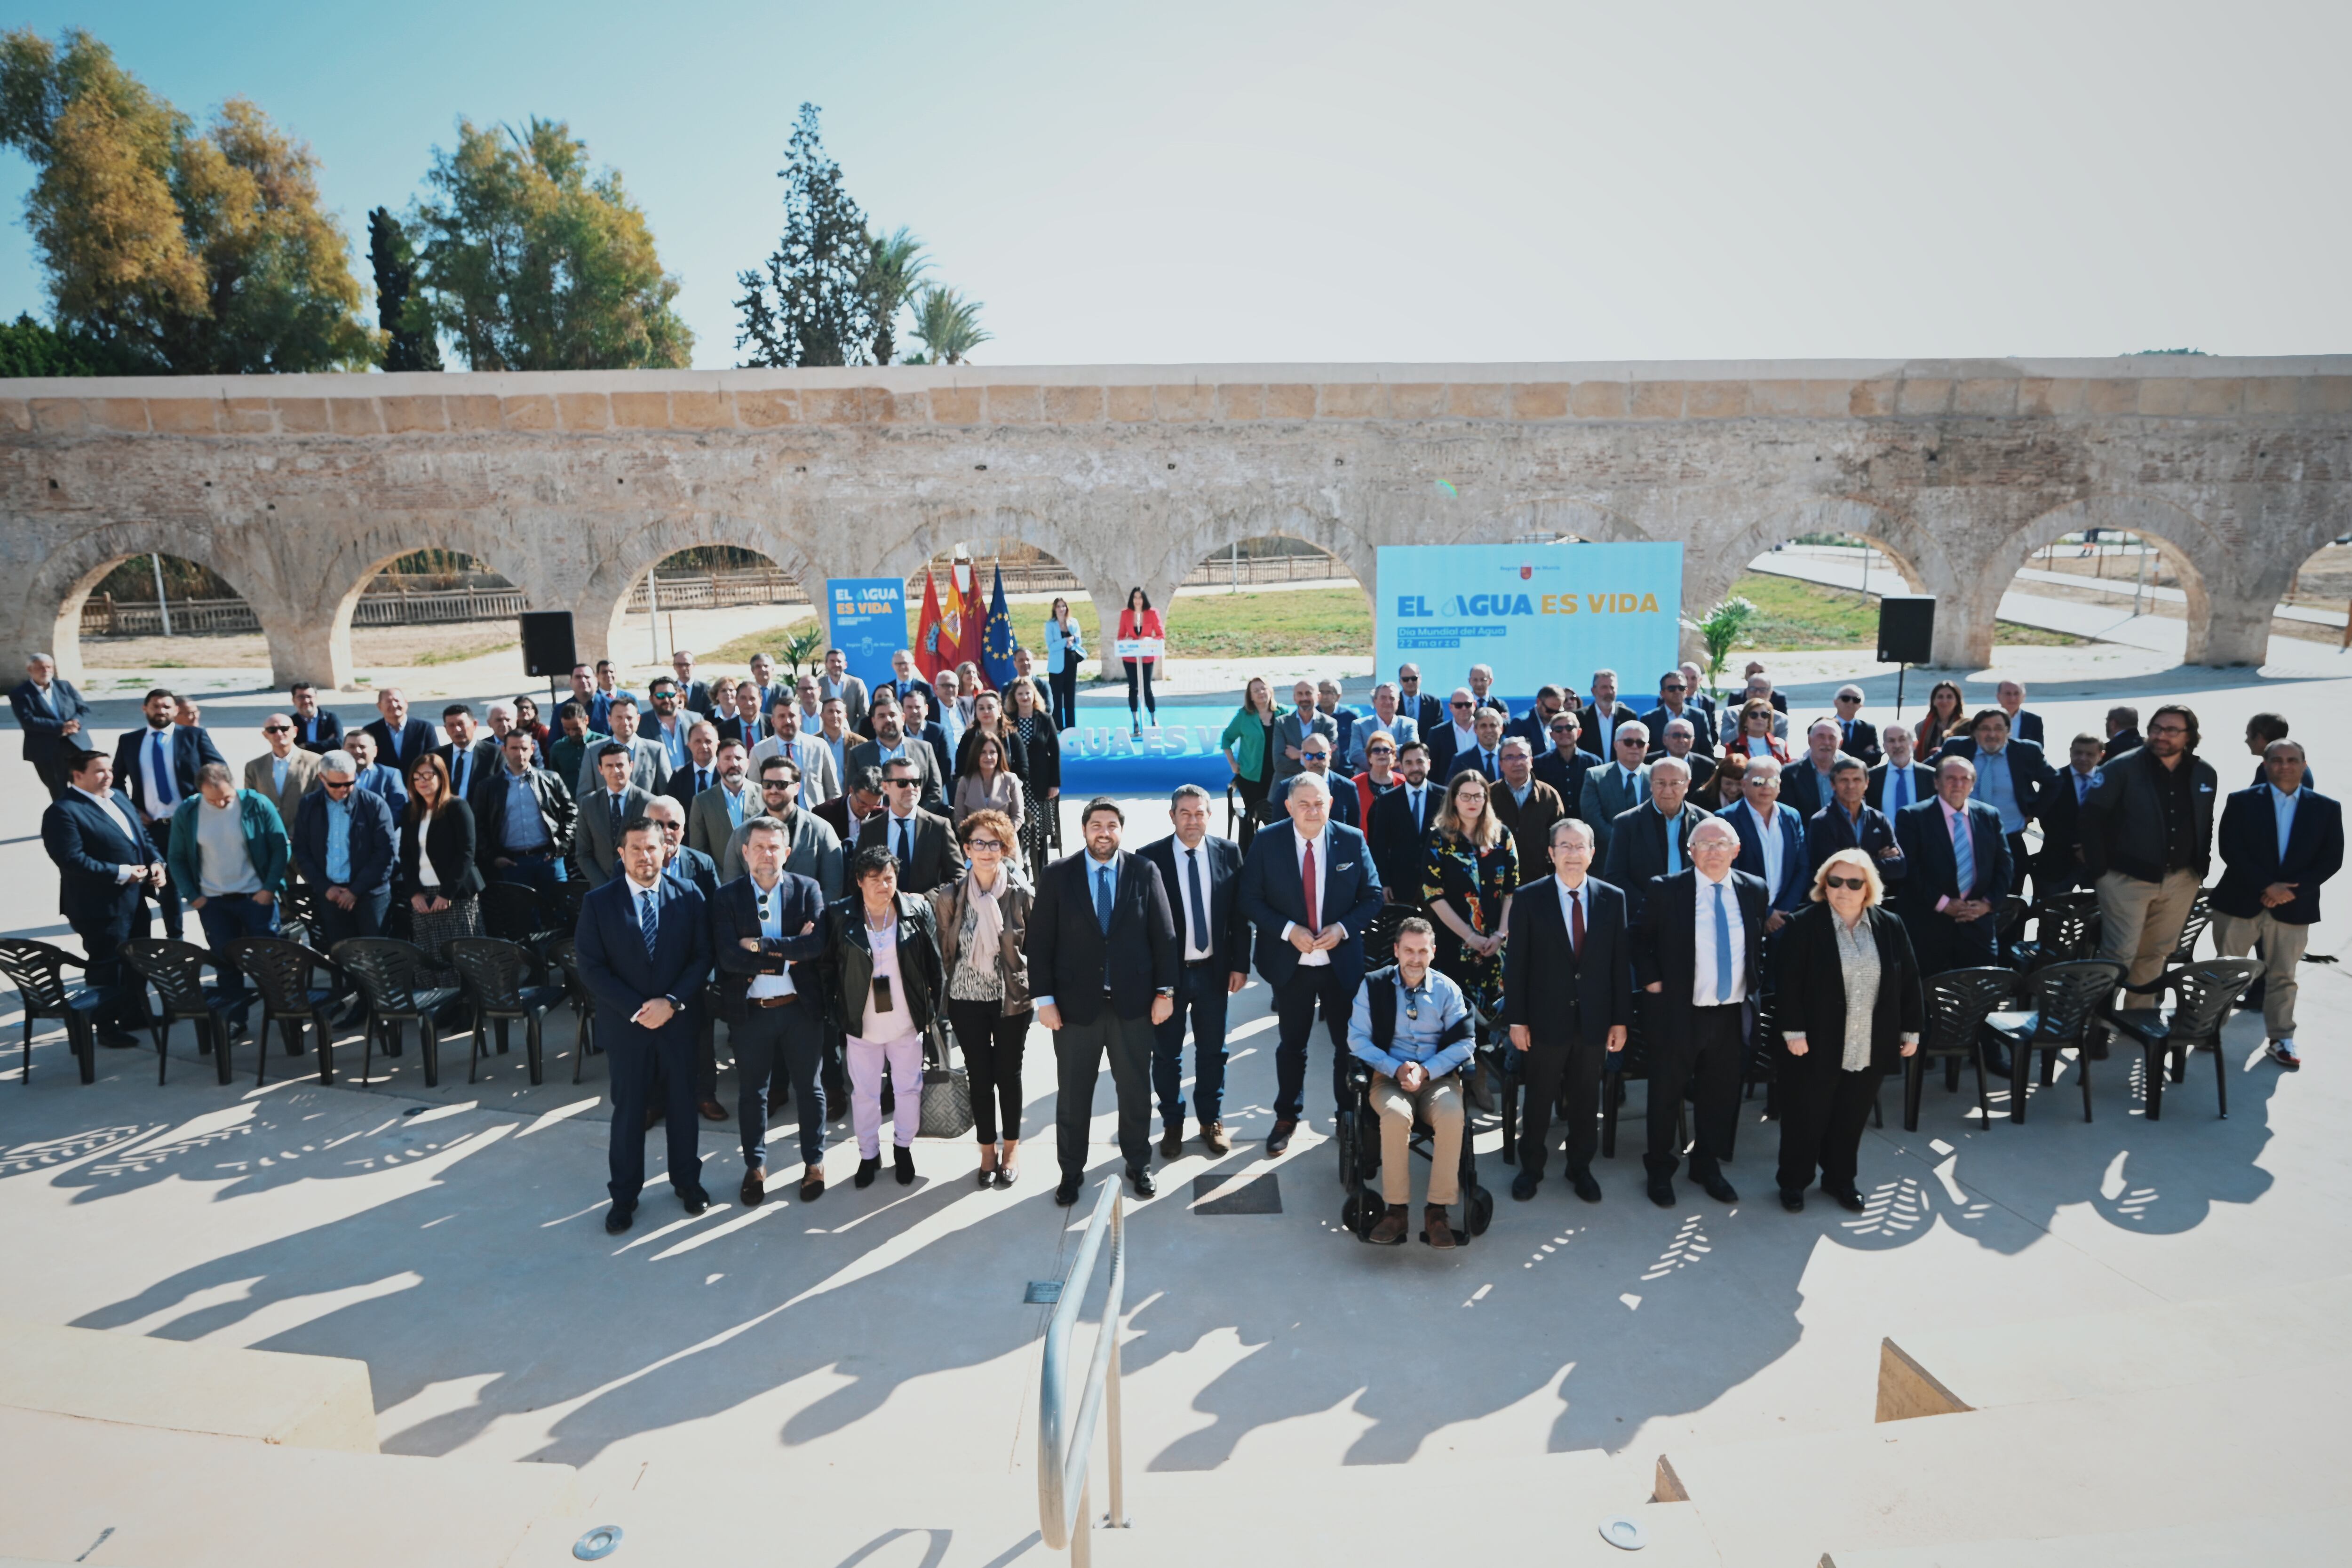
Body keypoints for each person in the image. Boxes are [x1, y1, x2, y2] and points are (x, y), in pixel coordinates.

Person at [1028, 798, 1177, 1203]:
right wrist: (1045, 1000)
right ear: (1084, 830)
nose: (1104, 832)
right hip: (1075, 1011)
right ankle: (1071, 1172)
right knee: (1074, 1096)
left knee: (1134, 1092)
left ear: (1121, 831)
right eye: (1097, 824)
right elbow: (1039, 943)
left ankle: (1138, 1163)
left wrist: (1165, 992)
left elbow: (1164, 938)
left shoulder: (1145, 872)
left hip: (1134, 1007)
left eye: (1112, 825)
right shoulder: (1059, 874)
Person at [575, 818, 713, 1234]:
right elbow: (591, 966)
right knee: (630, 1113)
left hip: (678, 1024)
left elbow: (702, 957)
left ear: (666, 850)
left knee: (683, 1109)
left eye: (652, 847)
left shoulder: (689, 895)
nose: (644, 856)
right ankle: (624, 1196)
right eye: (635, 848)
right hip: (628, 1027)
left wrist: (670, 1003)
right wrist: (639, 1008)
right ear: (621, 853)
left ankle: (688, 1183)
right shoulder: (599, 903)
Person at [1239, 771, 1383, 1154]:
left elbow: (1372, 897)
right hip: (1291, 965)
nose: (1312, 810)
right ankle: (1286, 1116)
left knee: (1345, 1046)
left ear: (1331, 803)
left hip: (1341, 965)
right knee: (1292, 1046)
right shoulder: (1269, 841)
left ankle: (1344, 1116)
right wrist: (1288, 931)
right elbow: (1249, 898)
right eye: (1303, 803)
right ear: (1288, 806)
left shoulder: (1352, 841)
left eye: (1319, 802)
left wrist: (1343, 928)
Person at [1774, 850, 1924, 1213]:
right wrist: (1793, 1031)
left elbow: (1909, 981)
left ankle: (1840, 1180)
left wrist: (1912, 1030)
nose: (1844, 889)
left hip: (1869, 1043)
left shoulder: (1890, 925)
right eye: (1835, 881)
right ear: (1824, 885)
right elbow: (1787, 983)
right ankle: (1794, 1182)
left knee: (1851, 1117)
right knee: (1806, 1117)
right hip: (1815, 1044)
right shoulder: (1803, 924)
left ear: (1868, 887)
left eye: (1854, 882)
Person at [1634, 817, 1767, 1206]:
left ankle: (1706, 1165)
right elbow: (1638, 938)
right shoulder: (1667, 889)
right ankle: (1660, 1168)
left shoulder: (1754, 889)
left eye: (1720, 843)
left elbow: (1756, 943)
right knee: (1665, 1094)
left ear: (1735, 850)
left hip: (1730, 1012)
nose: (1712, 850)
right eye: (1703, 844)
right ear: (1690, 852)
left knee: (1720, 1093)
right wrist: (1653, 982)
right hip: (1679, 1012)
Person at [1503, 817, 1629, 1203]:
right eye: (1565, 846)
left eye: (1580, 847)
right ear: (1551, 853)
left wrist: (1620, 1019)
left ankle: (1580, 1167)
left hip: (1594, 1020)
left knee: (1586, 1097)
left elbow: (1619, 964)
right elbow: (1516, 966)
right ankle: (1532, 1167)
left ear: (1593, 853)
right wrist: (1517, 1020)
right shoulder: (1528, 898)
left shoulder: (1612, 897)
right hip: (1544, 1020)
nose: (1573, 854)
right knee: (1539, 1097)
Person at [712, 814, 829, 1205]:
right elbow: (729, 957)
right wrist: (788, 950)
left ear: (787, 852)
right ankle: (756, 1166)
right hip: (752, 1013)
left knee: (810, 1090)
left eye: (774, 846)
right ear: (745, 852)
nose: (766, 854)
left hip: (800, 1009)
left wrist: (759, 946)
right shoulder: (726, 897)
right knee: (753, 1092)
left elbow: (815, 947)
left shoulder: (807, 889)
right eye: (759, 846)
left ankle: (814, 1162)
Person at [2212, 740, 2341, 1071]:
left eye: (2292, 760)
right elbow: (2231, 849)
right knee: (2226, 973)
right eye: (2278, 760)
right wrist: (2266, 885)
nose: (2285, 766)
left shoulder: (2327, 807)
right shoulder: (2241, 802)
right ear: (2265, 764)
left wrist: (2288, 891)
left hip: (2294, 908)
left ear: (2304, 763)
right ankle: (2209, 1030)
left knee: (2284, 975)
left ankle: (2281, 1038)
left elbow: (2331, 859)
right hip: (2240, 902)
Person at [1348, 917, 1476, 1247]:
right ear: (1396, 951)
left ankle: (1437, 1212)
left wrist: (1428, 1070)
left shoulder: (1448, 990)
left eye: (1422, 951)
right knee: (1395, 1114)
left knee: (1451, 1114)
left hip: (1438, 1078)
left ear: (1433, 952)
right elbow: (1358, 1039)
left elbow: (1465, 1043)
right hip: (1389, 1077)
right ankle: (1396, 1211)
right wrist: (1395, 1067)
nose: (1415, 959)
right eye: (1408, 951)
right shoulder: (1373, 985)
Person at [1139, 785, 1249, 1158]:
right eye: (1185, 813)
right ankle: (1172, 1122)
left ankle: (1210, 1119)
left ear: (1209, 816)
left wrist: (1240, 964)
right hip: (1170, 978)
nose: (1192, 820)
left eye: (1199, 813)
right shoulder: (1150, 859)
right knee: (1167, 1055)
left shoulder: (1228, 853)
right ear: (1172, 816)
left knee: (1213, 1052)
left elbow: (1239, 915)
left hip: (1214, 972)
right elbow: (1143, 927)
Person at [932, 809, 1035, 1187]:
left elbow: (1034, 947)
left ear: (1005, 848)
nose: (987, 851)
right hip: (965, 998)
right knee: (979, 1076)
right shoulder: (950, 896)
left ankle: (1011, 1147)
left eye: (994, 843)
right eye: (979, 843)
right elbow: (947, 947)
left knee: (1008, 1075)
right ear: (966, 849)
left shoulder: (1022, 895)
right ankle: (987, 1150)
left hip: (1010, 1000)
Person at [2083, 704, 2217, 993]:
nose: (2161, 736)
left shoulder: (2204, 773)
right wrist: (2101, 874)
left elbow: (2206, 822)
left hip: (2181, 881)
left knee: (2156, 954)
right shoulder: (2121, 768)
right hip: (2124, 880)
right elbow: (2091, 821)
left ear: (2189, 736)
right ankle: (2096, 1025)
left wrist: (2199, 870)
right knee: (2119, 955)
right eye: (2156, 729)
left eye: (2171, 730)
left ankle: (2136, 1022)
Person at [43, 748, 164, 1045]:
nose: (108, 775)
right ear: (78, 775)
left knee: (137, 962)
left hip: (134, 900)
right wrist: (122, 872)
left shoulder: (119, 798)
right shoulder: (63, 812)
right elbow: (72, 860)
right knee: (108, 967)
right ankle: (106, 1027)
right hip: (99, 907)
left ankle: (134, 1015)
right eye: (100, 771)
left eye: (109, 770)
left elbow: (142, 838)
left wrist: (157, 862)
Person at [164, 762, 287, 1037]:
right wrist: (193, 897)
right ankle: (235, 1018)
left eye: (226, 798)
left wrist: (270, 888)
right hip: (214, 902)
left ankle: (284, 1013)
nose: (221, 804)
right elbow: (177, 857)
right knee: (225, 962)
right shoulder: (189, 812)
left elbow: (280, 846)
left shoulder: (256, 804)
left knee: (270, 959)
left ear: (234, 786)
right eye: (213, 800)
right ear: (201, 794)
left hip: (257, 898)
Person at [1423, 770, 1519, 1076]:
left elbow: (1513, 890)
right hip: (1456, 943)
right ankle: (1468, 1074)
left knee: (1497, 1008)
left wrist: (1501, 934)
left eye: (1479, 796)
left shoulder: (1502, 835)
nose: (1472, 801)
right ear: (1454, 799)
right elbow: (1433, 895)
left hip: (1498, 942)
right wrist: (1470, 937)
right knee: (1457, 1013)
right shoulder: (1440, 838)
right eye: (1465, 795)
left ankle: (1494, 1065)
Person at [292, 751, 398, 1017]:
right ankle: (359, 1004)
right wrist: (326, 887)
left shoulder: (373, 804)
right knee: (345, 954)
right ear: (321, 779)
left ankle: (382, 1009)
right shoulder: (309, 806)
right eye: (336, 785)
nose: (343, 790)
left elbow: (385, 854)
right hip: (331, 894)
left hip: (369, 894)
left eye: (349, 784)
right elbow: (301, 852)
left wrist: (355, 891)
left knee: (375, 955)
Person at [112, 688, 225, 941]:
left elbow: (219, 770)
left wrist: (203, 804)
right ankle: (176, 941)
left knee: (205, 882)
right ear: (145, 709)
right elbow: (115, 782)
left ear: (175, 711)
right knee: (166, 886)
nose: (160, 711)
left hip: (194, 823)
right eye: (155, 706)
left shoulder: (194, 736)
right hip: (153, 827)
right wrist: (132, 810)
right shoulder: (129, 741)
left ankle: (218, 940)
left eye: (166, 707)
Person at [1892, 756, 2011, 985]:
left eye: (1964, 779)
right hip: (1929, 924)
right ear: (1937, 782)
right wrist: (1944, 904)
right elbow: (1910, 870)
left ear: (1972, 784)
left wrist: (1987, 904)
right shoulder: (1913, 816)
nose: (1958, 784)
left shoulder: (1989, 816)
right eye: (1951, 778)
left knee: (1978, 994)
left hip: (1977, 923)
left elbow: (2005, 866)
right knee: (1928, 996)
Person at [1939, 707, 2055, 898]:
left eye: (1999, 728)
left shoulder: (2026, 751)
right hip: (1963, 840)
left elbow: (2054, 782)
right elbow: (1927, 773)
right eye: (1985, 728)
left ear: (2008, 731)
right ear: (1975, 732)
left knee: (2011, 900)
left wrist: (2033, 814)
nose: (1992, 734)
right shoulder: (1957, 749)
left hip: (2010, 838)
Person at [396, 754, 484, 983]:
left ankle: (467, 1008)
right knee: (429, 954)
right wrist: (414, 892)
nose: (422, 782)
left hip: (455, 894)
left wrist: (447, 894)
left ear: (441, 777)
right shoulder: (411, 811)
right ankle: (437, 1007)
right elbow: (405, 854)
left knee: (461, 955)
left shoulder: (457, 807)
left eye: (428, 775)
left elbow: (467, 852)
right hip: (424, 895)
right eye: (417, 778)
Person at [1603, 754, 1710, 925]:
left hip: (1695, 917)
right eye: (1661, 783)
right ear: (1650, 784)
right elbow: (1615, 876)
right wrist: (1652, 906)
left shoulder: (1705, 823)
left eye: (1675, 783)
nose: (1668, 791)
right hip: (1645, 920)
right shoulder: (1627, 823)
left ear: (1688, 785)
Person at [725, 755, 845, 901]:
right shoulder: (742, 833)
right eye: (768, 784)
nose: (774, 790)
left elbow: (833, 887)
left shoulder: (821, 830)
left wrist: (811, 917)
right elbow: (731, 888)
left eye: (781, 784)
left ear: (797, 788)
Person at [473, 728, 574, 894]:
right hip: (513, 863)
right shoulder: (488, 787)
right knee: (521, 917)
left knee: (561, 911)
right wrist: (493, 857)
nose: (520, 753)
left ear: (533, 749)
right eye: (514, 748)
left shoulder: (551, 779)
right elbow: (479, 825)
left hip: (549, 859)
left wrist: (562, 844)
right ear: (504, 750)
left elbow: (571, 812)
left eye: (525, 748)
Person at [1722, 756, 1810, 925]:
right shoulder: (1726, 819)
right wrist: (1766, 913)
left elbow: (1802, 867)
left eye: (1772, 781)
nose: (1766, 787)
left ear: (1779, 786)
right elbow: (1728, 873)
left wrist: (1783, 912)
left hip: (1784, 919)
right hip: (1743, 918)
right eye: (1758, 781)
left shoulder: (1792, 817)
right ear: (1744, 784)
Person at [856, 758, 958, 894]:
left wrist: (927, 899)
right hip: (882, 911)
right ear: (886, 787)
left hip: (926, 912)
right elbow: (857, 878)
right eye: (902, 783)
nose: (911, 788)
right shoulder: (869, 829)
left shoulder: (939, 827)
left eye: (915, 782)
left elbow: (958, 878)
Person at [1806, 756, 1904, 880]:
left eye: (1857, 780)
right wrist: (1875, 861)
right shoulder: (1821, 822)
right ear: (1833, 784)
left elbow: (1899, 867)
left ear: (1866, 783)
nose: (1851, 786)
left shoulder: (1879, 820)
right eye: (1844, 780)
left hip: (1876, 898)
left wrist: (1848, 863)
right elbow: (1829, 869)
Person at [1367, 739, 1438, 911]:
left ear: (1428, 764)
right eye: (1409, 763)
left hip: (1438, 886)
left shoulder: (1445, 797)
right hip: (1400, 886)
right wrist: (1383, 883)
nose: (1415, 768)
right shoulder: (1387, 801)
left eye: (1420, 762)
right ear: (1401, 766)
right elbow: (1379, 846)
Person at [846, 691, 945, 810]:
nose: (888, 720)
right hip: (875, 823)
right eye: (882, 716)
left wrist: (914, 815)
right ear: (874, 722)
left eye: (893, 715)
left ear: (903, 718)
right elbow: (852, 793)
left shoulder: (925, 749)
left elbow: (935, 791)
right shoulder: (858, 754)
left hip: (917, 823)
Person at [2034, 733, 2107, 895]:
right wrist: (2077, 846)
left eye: (2089, 754)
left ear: (2101, 756)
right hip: (2057, 861)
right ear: (2070, 752)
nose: (2082, 758)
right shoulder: (2054, 779)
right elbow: (2047, 819)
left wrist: (2090, 848)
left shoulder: (2110, 780)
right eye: (2078, 753)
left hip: (2098, 863)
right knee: (2050, 916)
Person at [12, 653, 91, 799]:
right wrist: (61, 727)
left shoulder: (64, 686)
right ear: (30, 669)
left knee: (86, 788)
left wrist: (76, 723)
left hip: (76, 745)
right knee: (59, 792)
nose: (46, 671)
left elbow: (84, 709)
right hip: (46, 749)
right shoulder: (20, 693)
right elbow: (28, 720)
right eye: (41, 668)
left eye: (49, 667)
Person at [577, 742, 656, 888]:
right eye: (609, 766)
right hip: (601, 888)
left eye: (620, 765)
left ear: (631, 766)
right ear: (600, 769)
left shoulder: (649, 803)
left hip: (641, 885)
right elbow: (583, 853)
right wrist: (605, 886)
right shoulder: (588, 804)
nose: (616, 770)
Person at [1006, 677, 1063, 878]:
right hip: (1017, 785)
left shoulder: (1045, 719)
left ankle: (1043, 874)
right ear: (1014, 697)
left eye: (1027, 693)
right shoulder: (1008, 720)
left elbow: (1055, 753)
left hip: (1043, 785)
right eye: (1020, 694)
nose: (1024, 697)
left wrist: (1055, 784)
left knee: (1042, 831)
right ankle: (1023, 870)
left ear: (1034, 695)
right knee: (1020, 830)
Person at [1220, 676, 1285, 850]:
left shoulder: (1283, 713)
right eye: (1256, 691)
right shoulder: (1244, 716)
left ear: (1270, 690)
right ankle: (1250, 854)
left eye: (1264, 688)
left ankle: (1278, 853)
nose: (1261, 693)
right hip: (1251, 778)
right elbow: (1227, 738)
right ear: (1250, 696)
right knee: (1254, 817)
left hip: (1279, 776)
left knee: (1279, 817)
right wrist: (1233, 764)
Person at [1579, 722, 1653, 866]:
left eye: (1640, 743)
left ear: (1647, 747)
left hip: (1649, 858)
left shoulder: (1657, 776)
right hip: (1608, 858)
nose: (1634, 747)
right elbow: (1592, 817)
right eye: (1628, 742)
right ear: (1616, 745)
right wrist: (1622, 840)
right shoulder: (1596, 776)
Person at [1489, 736, 1565, 870]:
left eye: (1522, 756)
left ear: (1531, 761)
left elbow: (1559, 837)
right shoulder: (1489, 795)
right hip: (1499, 874)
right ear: (1500, 764)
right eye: (1510, 758)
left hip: (1539, 875)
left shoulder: (1549, 795)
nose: (1517, 762)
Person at [576, 695, 669, 798]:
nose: (625, 723)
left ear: (638, 719)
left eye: (629, 718)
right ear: (609, 719)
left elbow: (667, 794)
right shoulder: (593, 751)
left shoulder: (656, 751)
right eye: (619, 718)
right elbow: (584, 796)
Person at [752, 698, 842, 804]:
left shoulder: (819, 747)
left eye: (792, 715)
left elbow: (833, 791)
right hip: (774, 818)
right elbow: (755, 794)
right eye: (782, 716)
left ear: (800, 719)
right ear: (773, 721)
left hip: (814, 816)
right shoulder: (758, 751)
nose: (788, 721)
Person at [243, 713, 322, 831]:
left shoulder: (316, 762)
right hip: (268, 835)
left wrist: (296, 831)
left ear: (295, 731)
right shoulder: (254, 767)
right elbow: (250, 804)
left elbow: (318, 802)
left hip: (304, 833)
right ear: (265, 735)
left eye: (284, 729)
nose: (279, 734)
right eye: (272, 730)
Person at [952, 732, 1026, 836]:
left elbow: (1018, 817)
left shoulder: (1011, 780)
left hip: (1006, 842)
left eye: (992, 752)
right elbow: (960, 818)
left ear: (999, 754)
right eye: (983, 752)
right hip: (975, 844)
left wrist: (1001, 836)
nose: (989, 757)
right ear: (976, 754)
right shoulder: (965, 782)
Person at [953, 690, 1030, 785]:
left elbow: (1023, 767)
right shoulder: (969, 737)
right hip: (975, 792)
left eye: (990, 707)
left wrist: (1013, 787)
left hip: (1007, 792)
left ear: (1000, 710)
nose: (986, 711)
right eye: (981, 708)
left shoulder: (1012, 736)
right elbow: (961, 768)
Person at [1777, 719, 1847, 821]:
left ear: (1840, 743)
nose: (1827, 742)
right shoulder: (1789, 775)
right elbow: (1788, 818)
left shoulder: (1849, 774)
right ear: (1810, 741)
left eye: (1832, 738)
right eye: (1821, 737)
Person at [1116, 588, 1163, 738]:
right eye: (1135, 597)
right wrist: (1126, 640)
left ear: (1144, 599)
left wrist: (1150, 639)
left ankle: (1153, 720)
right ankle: (1136, 722)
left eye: (1140, 597)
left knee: (1147, 688)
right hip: (1130, 657)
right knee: (1133, 688)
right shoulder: (1126, 614)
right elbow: (1121, 636)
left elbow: (1161, 635)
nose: (1138, 600)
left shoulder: (1153, 613)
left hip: (1147, 656)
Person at [1282, 734, 1358, 828]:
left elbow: (1354, 830)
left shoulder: (1348, 788)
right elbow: (1279, 830)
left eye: (1321, 755)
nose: (1315, 761)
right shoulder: (1286, 788)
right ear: (1302, 756)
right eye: (1309, 756)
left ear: (1330, 754)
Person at [1865, 722, 1935, 819]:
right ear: (1885, 746)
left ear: (1914, 744)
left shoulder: (1932, 776)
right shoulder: (1871, 778)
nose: (1897, 745)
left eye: (1902, 740)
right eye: (1891, 741)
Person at [1274, 678, 1337, 784]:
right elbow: (1279, 763)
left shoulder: (1329, 723)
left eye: (1308, 693)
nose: (1304, 698)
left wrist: (1300, 754)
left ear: (1318, 696)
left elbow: (1334, 760)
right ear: (1294, 698)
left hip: (1321, 784)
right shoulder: (1282, 723)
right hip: (1287, 785)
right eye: (1300, 694)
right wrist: (1318, 759)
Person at [361, 687, 437, 776]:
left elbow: (435, 759)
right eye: (388, 702)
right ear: (379, 706)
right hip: (384, 785)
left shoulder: (425, 728)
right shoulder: (370, 731)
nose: (394, 705)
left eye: (397, 701)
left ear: (406, 703)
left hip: (419, 782)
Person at [1639, 671, 1712, 760]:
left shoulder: (1699, 716)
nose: (1677, 692)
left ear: (1686, 691)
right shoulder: (1648, 719)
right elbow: (1644, 752)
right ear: (1662, 693)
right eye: (1672, 688)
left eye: (1681, 688)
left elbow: (1707, 750)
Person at [660, 719, 725, 811]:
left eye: (708, 741)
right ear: (689, 745)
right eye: (698, 741)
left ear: (718, 744)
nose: (704, 746)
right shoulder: (679, 776)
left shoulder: (727, 773)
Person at [1350, 682, 1418, 770]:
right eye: (1383, 698)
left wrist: (1374, 751)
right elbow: (1356, 755)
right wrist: (1391, 764)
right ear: (1375, 701)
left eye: (1392, 698)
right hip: (1368, 778)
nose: (1388, 702)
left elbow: (1413, 749)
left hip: (1400, 778)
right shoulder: (1360, 725)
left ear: (1398, 702)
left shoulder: (1409, 724)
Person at [1043, 597, 1086, 731]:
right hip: (1057, 665)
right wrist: (1065, 641)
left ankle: (1071, 726)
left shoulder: (1073, 623)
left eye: (1064, 606)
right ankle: (1058, 726)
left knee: (1070, 694)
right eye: (1059, 607)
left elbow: (1079, 641)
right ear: (1054, 609)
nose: (1062, 609)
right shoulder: (1050, 625)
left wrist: (1074, 642)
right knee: (1056, 695)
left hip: (1071, 661)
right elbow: (1051, 646)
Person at [1534, 709, 1593, 806]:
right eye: (1559, 729)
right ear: (1551, 735)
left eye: (1569, 728)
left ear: (1579, 732)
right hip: (1552, 820)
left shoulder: (1593, 763)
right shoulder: (1539, 763)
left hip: (1585, 820)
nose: (1564, 732)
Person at [548, 701, 609, 791]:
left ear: (586, 720)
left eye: (577, 729)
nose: (572, 734)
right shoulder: (557, 749)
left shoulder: (604, 744)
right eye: (567, 729)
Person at [343, 731, 408, 815]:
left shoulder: (390, 775)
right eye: (351, 747)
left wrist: (382, 827)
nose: (357, 751)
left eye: (362, 747)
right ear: (343, 750)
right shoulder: (332, 776)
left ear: (375, 751)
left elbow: (398, 809)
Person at [817, 646, 871, 737]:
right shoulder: (818, 684)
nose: (836, 664)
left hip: (850, 738)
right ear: (826, 664)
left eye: (839, 661)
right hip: (824, 737)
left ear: (845, 664)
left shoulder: (857, 684)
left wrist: (851, 734)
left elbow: (864, 714)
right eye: (832, 661)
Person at [901, 689, 951, 782]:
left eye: (918, 707)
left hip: (934, 788)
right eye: (909, 707)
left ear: (926, 709)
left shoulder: (938, 732)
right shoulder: (898, 733)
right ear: (903, 711)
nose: (914, 711)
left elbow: (945, 767)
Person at [1429, 688, 1481, 780]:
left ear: (1475, 705)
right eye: (1459, 705)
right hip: (1450, 790)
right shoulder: (1437, 733)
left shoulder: (1486, 730)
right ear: (1450, 707)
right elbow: (1432, 770)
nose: (1464, 708)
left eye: (1468, 704)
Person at [1657, 716, 1716, 791]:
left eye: (1687, 736)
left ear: (1693, 741)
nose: (1682, 740)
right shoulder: (1649, 763)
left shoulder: (1707, 766)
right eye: (1676, 736)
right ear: (1665, 739)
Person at [1728, 698, 1793, 764]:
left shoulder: (1780, 745)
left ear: (1769, 720)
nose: (1760, 718)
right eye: (1754, 715)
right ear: (1744, 721)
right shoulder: (1733, 748)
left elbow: (1788, 771)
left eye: (1764, 715)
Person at [1829, 685, 1882, 765]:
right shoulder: (1826, 726)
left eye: (1856, 700)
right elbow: (1823, 754)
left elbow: (1877, 757)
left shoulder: (1868, 729)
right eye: (1845, 698)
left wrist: (1839, 753)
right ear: (1835, 702)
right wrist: (1863, 753)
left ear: (1861, 705)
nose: (1851, 702)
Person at [1914, 679, 1968, 754]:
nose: (1944, 701)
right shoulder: (1921, 727)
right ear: (1934, 701)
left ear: (1957, 701)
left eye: (1949, 697)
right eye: (1940, 697)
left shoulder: (1966, 727)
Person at [288, 682, 342, 753]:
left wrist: (305, 746)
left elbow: (338, 743)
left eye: (309, 697)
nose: (306, 701)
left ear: (316, 698)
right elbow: (287, 747)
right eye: (301, 697)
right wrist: (326, 744)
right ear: (293, 700)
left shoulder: (330, 718)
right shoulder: (290, 722)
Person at [1397, 662, 1445, 738]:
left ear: (1420, 678)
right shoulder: (1393, 702)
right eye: (1406, 679)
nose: (1410, 682)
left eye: (1414, 678)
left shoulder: (1434, 703)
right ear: (1400, 681)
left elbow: (1439, 731)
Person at [719, 680, 769, 751]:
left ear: (761, 700)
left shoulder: (774, 725)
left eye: (752, 698)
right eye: (743, 698)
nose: (748, 703)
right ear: (736, 700)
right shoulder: (723, 729)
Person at [1692, 749, 1747, 813]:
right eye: (1728, 783)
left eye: (1739, 784)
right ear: (1719, 779)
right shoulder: (1701, 798)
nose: (1734, 789)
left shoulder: (1752, 799)